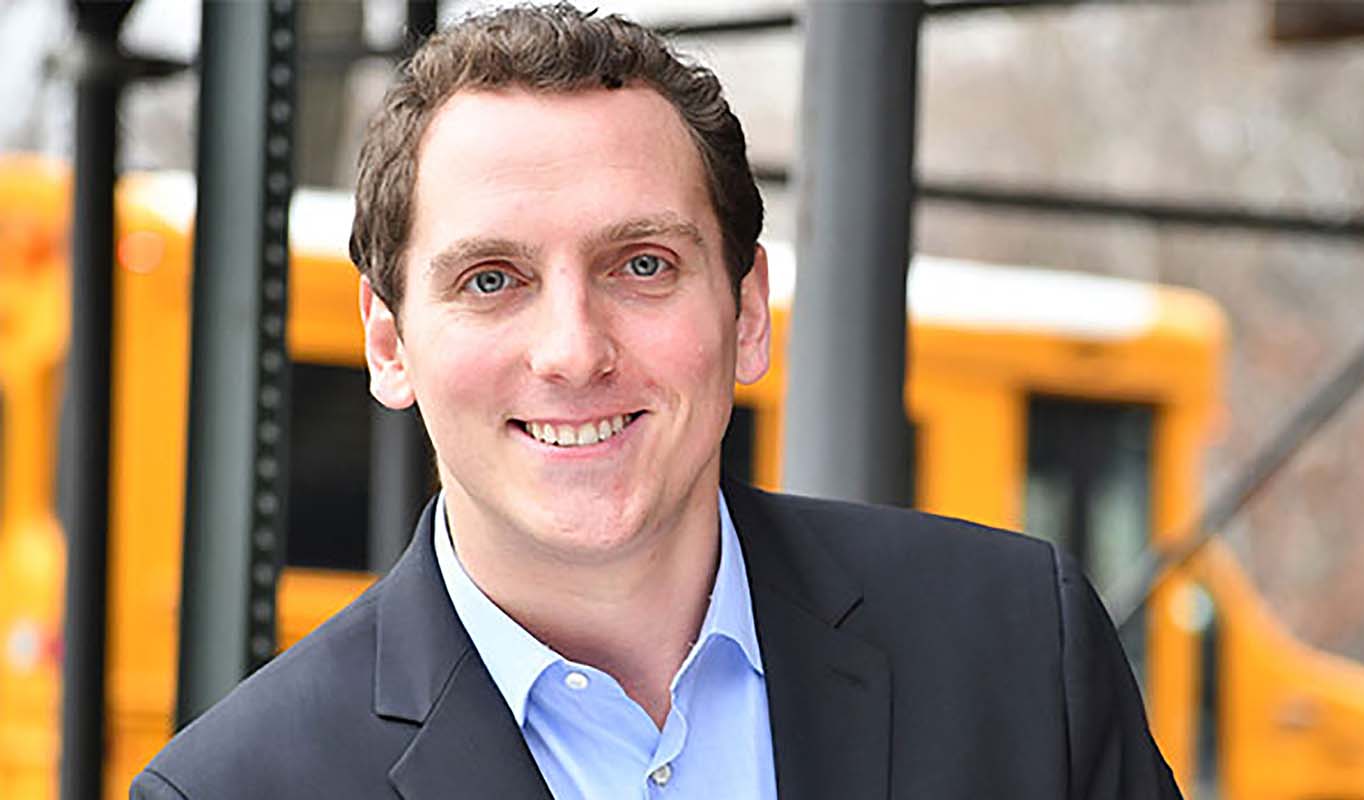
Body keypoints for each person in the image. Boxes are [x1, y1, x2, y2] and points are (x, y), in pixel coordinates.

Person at [132, 4, 1180, 798]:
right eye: (491, 279)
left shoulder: (1018, 649)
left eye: (641, 265)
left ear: (748, 309)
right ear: (388, 340)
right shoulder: (235, 789)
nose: (573, 350)